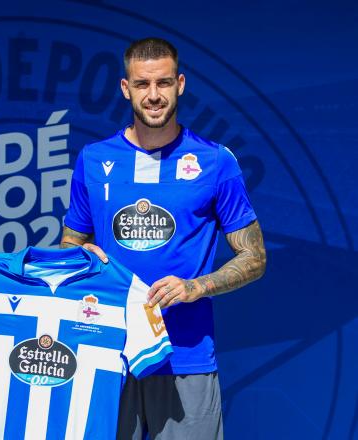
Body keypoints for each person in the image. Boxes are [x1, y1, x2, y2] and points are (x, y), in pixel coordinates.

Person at [61, 38, 266, 439]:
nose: (154, 96)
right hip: (107, 356)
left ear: (181, 84)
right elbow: (69, 246)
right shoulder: (92, 159)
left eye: (164, 83)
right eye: (142, 85)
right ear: (125, 88)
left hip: (185, 358)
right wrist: (81, 259)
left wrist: (196, 286)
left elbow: (255, 257)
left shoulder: (215, 161)